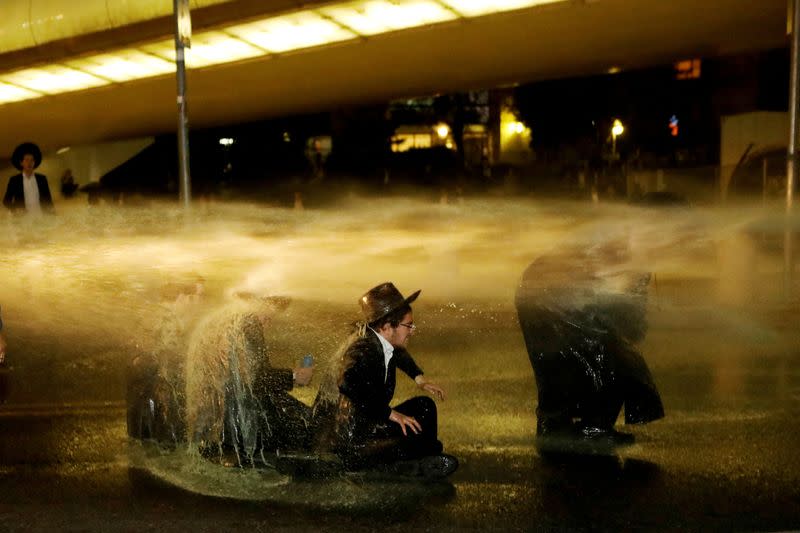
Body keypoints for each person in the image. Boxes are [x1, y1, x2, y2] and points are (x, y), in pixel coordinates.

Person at [514, 246, 664, 452]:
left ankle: (555, 427)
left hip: (540, 291)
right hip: (557, 295)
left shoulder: (623, 239)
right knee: (614, 361)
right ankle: (593, 428)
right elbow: (628, 319)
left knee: (559, 363)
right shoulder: (634, 246)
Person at [329, 282, 458, 477]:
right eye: (408, 325)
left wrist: (420, 379)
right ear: (387, 326)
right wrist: (391, 414)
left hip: (373, 424)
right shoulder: (363, 349)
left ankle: (422, 454)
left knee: (424, 406)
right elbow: (347, 381)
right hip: (356, 442)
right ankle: (404, 463)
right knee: (412, 440)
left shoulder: (381, 340)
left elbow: (400, 355)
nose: (412, 330)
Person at [184, 291, 314, 466]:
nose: (268, 323)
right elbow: (256, 379)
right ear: (262, 304)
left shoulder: (224, 323)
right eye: (268, 317)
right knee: (304, 422)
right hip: (238, 420)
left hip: (214, 419)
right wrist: (295, 376)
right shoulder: (248, 325)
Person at [3, 142, 54, 214]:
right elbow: (6, 201)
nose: (29, 163)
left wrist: (52, 214)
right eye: (26, 160)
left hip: (41, 217)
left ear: (34, 162)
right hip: (23, 219)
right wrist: (16, 209)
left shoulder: (42, 179)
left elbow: (48, 200)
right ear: (21, 163)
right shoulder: (14, 180)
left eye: (32, 160)